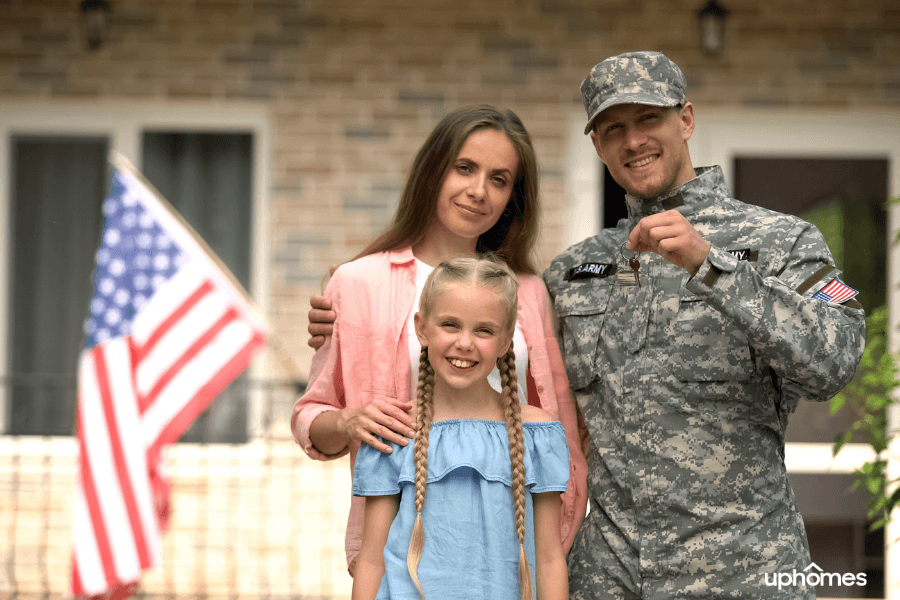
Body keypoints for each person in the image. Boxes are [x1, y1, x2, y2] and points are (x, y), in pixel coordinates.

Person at [542, 51, 866, 599]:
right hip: (609, 578)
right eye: (613, 128)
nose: (633, 140)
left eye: (649, 118)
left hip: (744, 573)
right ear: (597, 145)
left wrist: (711, 266)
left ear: (686, 120)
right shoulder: (574, 269)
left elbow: (838, 356)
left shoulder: (786, 242)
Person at [292, 105, 587, 577]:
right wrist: (350, 421)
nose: (478, 191)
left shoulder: (530, 293)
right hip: (404, 556)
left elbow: (554, 426)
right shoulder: (358, 284)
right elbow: (309, 416)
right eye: (464, 168)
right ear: (433, 171)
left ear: (513, 196)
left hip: (515, 557)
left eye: (499, 179)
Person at [352, 255, 569, 600]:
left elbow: (549, 558)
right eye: (450, 325)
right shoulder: (395, 432)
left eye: (483, 330)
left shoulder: (537, 435)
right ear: (422, 328)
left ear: (504, 340)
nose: (464, 343)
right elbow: (370, 560)